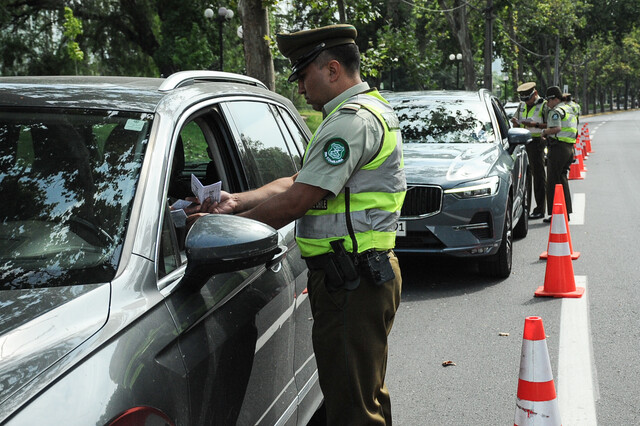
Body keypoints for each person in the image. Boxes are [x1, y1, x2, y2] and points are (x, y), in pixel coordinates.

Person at [188, 24, 406, 425]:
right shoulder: (358, 113)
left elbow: (299, 200)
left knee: (353, 410)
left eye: (304, 75)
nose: (301, 88)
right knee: (364, 394)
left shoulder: (351, 122)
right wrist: (236, 201)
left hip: (353, 281)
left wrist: (232, 229)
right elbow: (296, 182)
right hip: (361, 276)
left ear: (333, 69)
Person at [511, 82, 547, 220]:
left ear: (535, 93)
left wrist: (534, 125)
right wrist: (516, 123)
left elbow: (551, 124)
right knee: (525, 177)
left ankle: (539, 209)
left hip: (537, 142)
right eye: (523, 99)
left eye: (528, 98)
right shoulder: (521, 106)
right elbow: (516, 121)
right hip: (522, 142)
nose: (526, 101)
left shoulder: (543, 105)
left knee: (538, 177)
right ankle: (525, 208)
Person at [541, 86, 578, 222]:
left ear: (555, 99)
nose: (547, 103)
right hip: (569, 148)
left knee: (553, 181)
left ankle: (557, 214)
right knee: (561, 179)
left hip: (558, 148)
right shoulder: (569, 108)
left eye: (549, 100)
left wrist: (544, 132)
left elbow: (556, 128)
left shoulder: (556, 111)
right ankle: (565, 213)